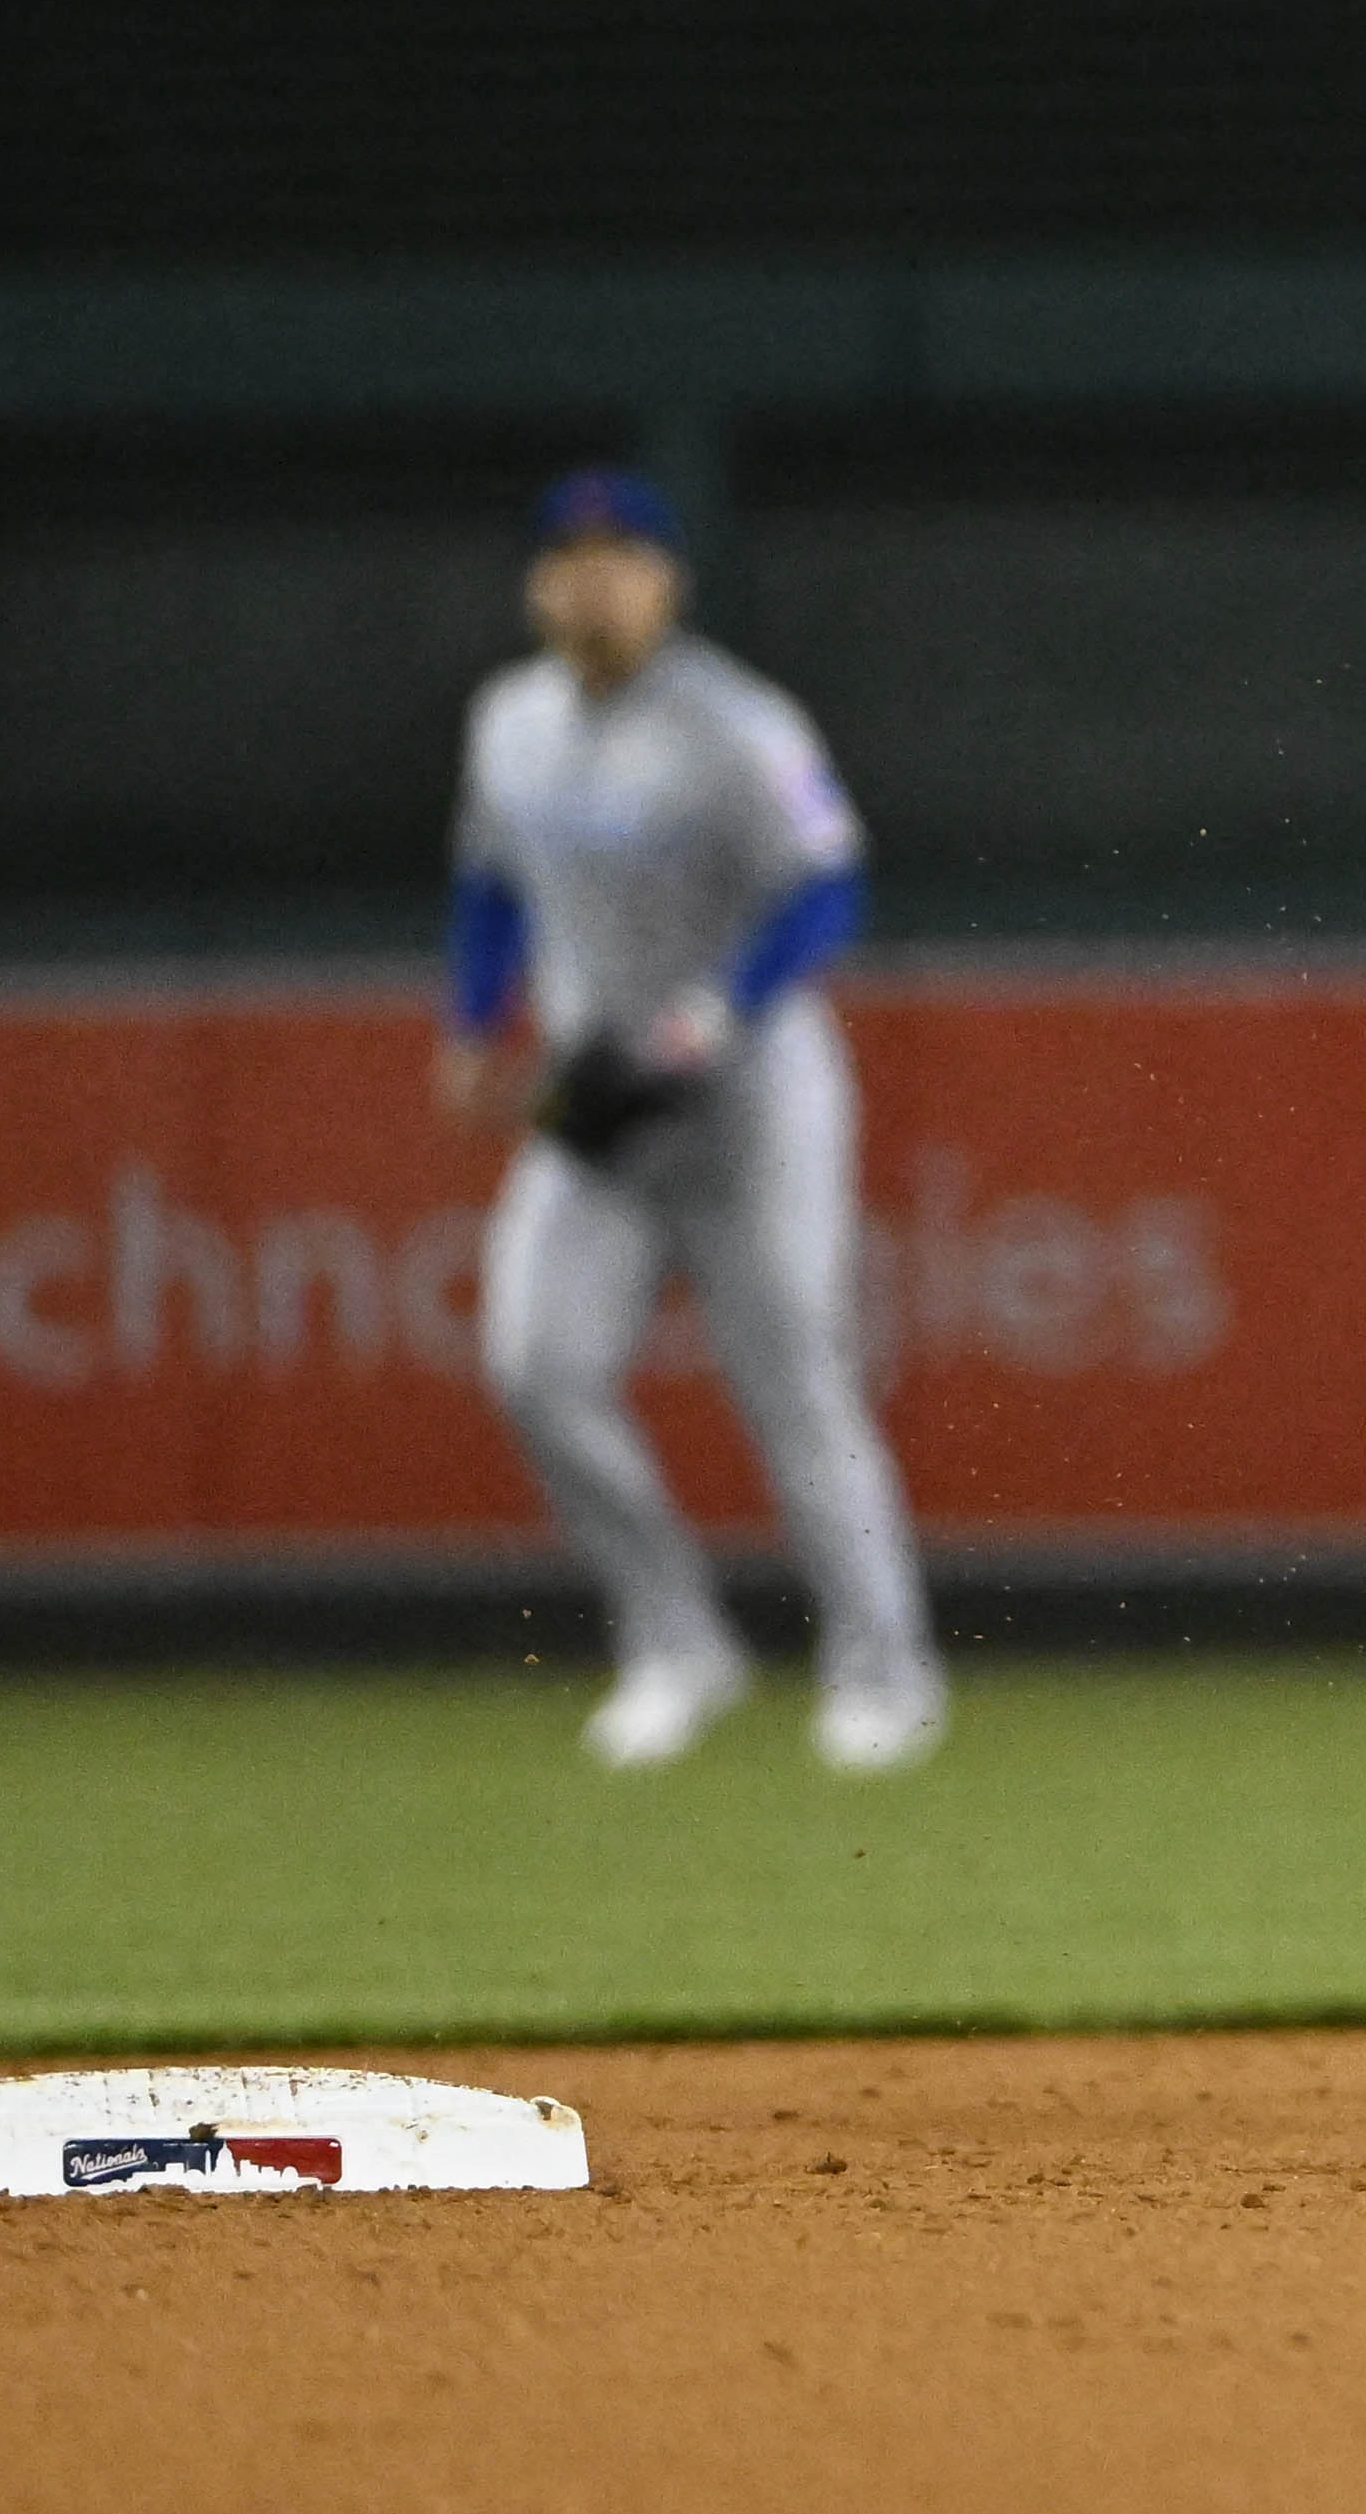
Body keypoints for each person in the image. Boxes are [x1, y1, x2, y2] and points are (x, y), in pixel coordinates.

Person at [441, 467, 944, 1773]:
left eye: (623, 555)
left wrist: (723, 1011)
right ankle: (675, 1640)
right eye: (570, 556)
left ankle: (885, 1673)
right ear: (538, 582)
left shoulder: (739, 724)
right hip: (601, 1093)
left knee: (795, 1384)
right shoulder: (507, 723)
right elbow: (489, 884)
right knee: (533, 1363)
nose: (594, 578)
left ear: (669, 581)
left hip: (753, 1091)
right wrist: (470, 1017)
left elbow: (827, 889)